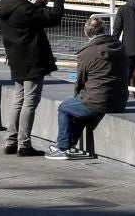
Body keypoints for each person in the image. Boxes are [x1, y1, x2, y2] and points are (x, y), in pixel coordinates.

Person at [0, 0, 64, 156]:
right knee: (30, 101)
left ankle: (11, 140)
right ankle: (24, 144)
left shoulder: (5, 4)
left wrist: (40, 2)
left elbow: (28, 16)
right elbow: (53, 18)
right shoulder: (24, 8)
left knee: (18, 99)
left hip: (16, 59)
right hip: (32, 59)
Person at [45, 15, 129, 160]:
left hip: (98, 101)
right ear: (105, 30)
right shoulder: (120, 47)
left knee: (65, 108)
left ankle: (63, 148)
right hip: (120, 101)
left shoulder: (86, 53)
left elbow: (80, 81)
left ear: (86, 33)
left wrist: (78, 96)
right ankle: (68, 143)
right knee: (79, 109)